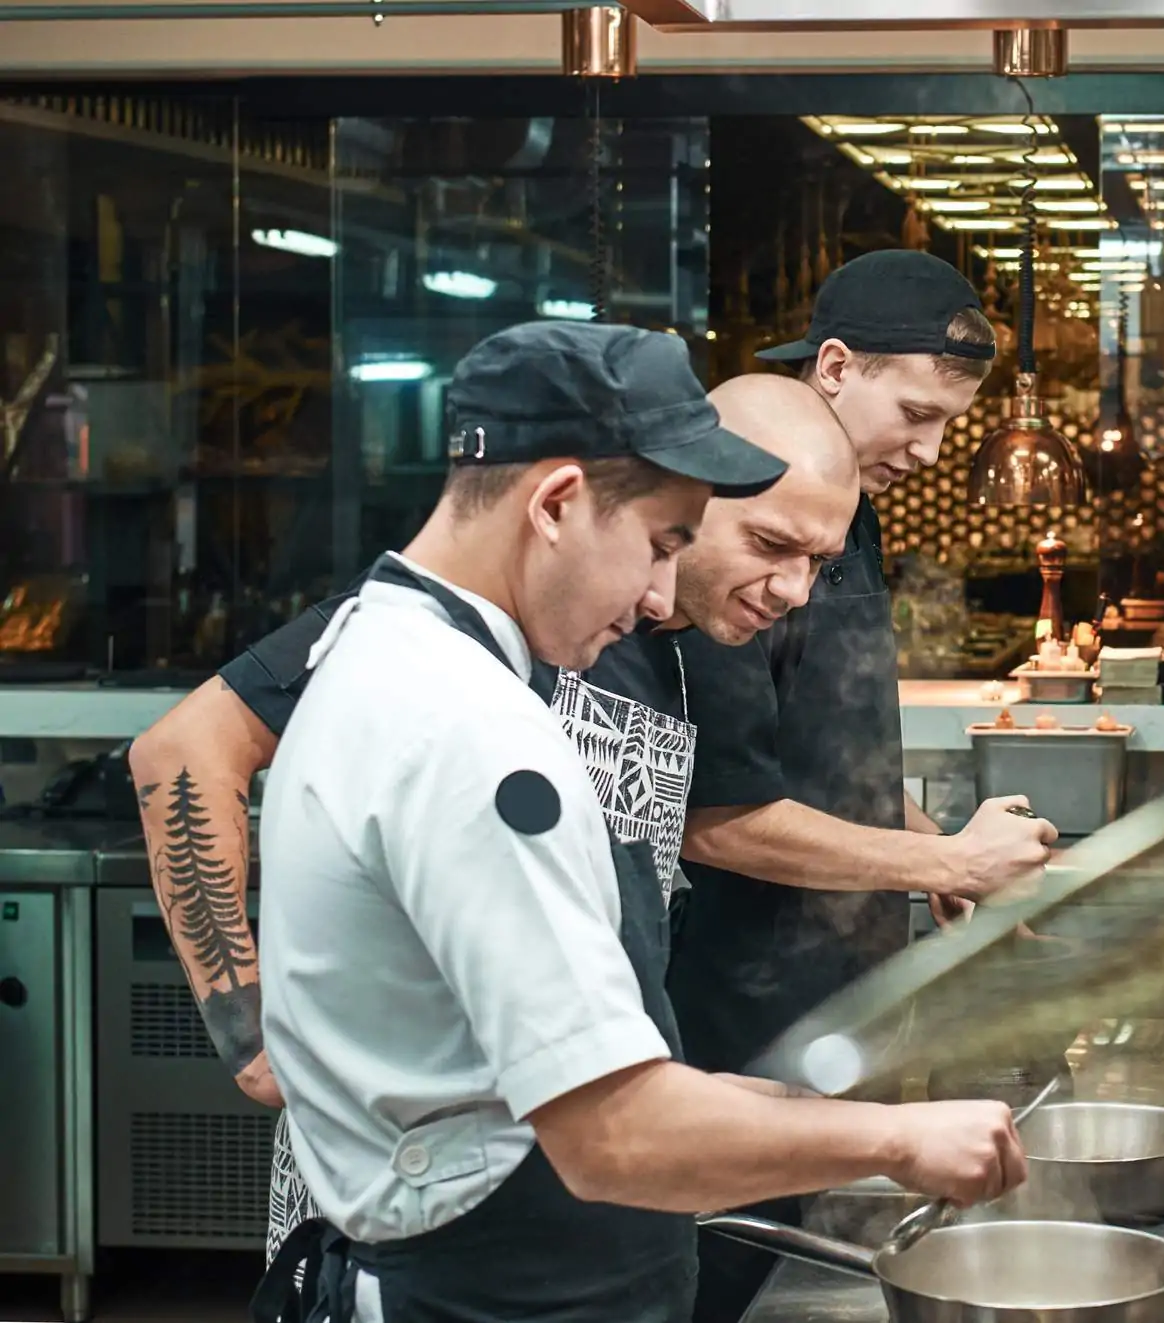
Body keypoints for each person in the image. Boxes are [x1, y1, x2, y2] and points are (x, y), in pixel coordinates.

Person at [141, 323, 1026, 1323]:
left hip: (532, 1185)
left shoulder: (486, 649)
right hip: (460, 1231)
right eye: (670, 544)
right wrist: (251, 1030)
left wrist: (766, 1113)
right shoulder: (458, 707)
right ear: (557, 505)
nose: (658, 595)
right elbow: (180, 749)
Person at [667, 248, 1058, 1322]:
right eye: (916, 413)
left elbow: (828, 754)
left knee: (822, 1266)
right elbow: (721, 814)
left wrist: (945, 867)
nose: (928, 451)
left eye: (949, 426)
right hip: (741, 1008)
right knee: (740, 1282)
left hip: (844, 990)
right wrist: (938, 857)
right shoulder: (737, 509)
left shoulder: (854, 514)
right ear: (834, 366)